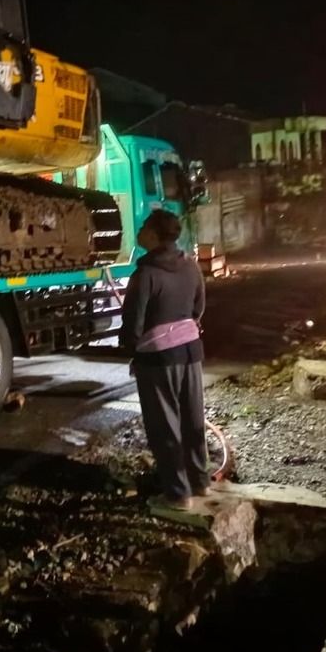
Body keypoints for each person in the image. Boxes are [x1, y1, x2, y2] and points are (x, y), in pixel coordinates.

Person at [120, 209, 208, 511]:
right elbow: (199, 307)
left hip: (158, 360)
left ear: (155, 235)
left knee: (164, 425)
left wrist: (133, 351)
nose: (139, 230)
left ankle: (178, 494)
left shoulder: (145, 274)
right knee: (193, 419)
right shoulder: (191, 267)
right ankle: (200, 481)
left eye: (144, 226)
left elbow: (133, 323)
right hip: (191, 353)